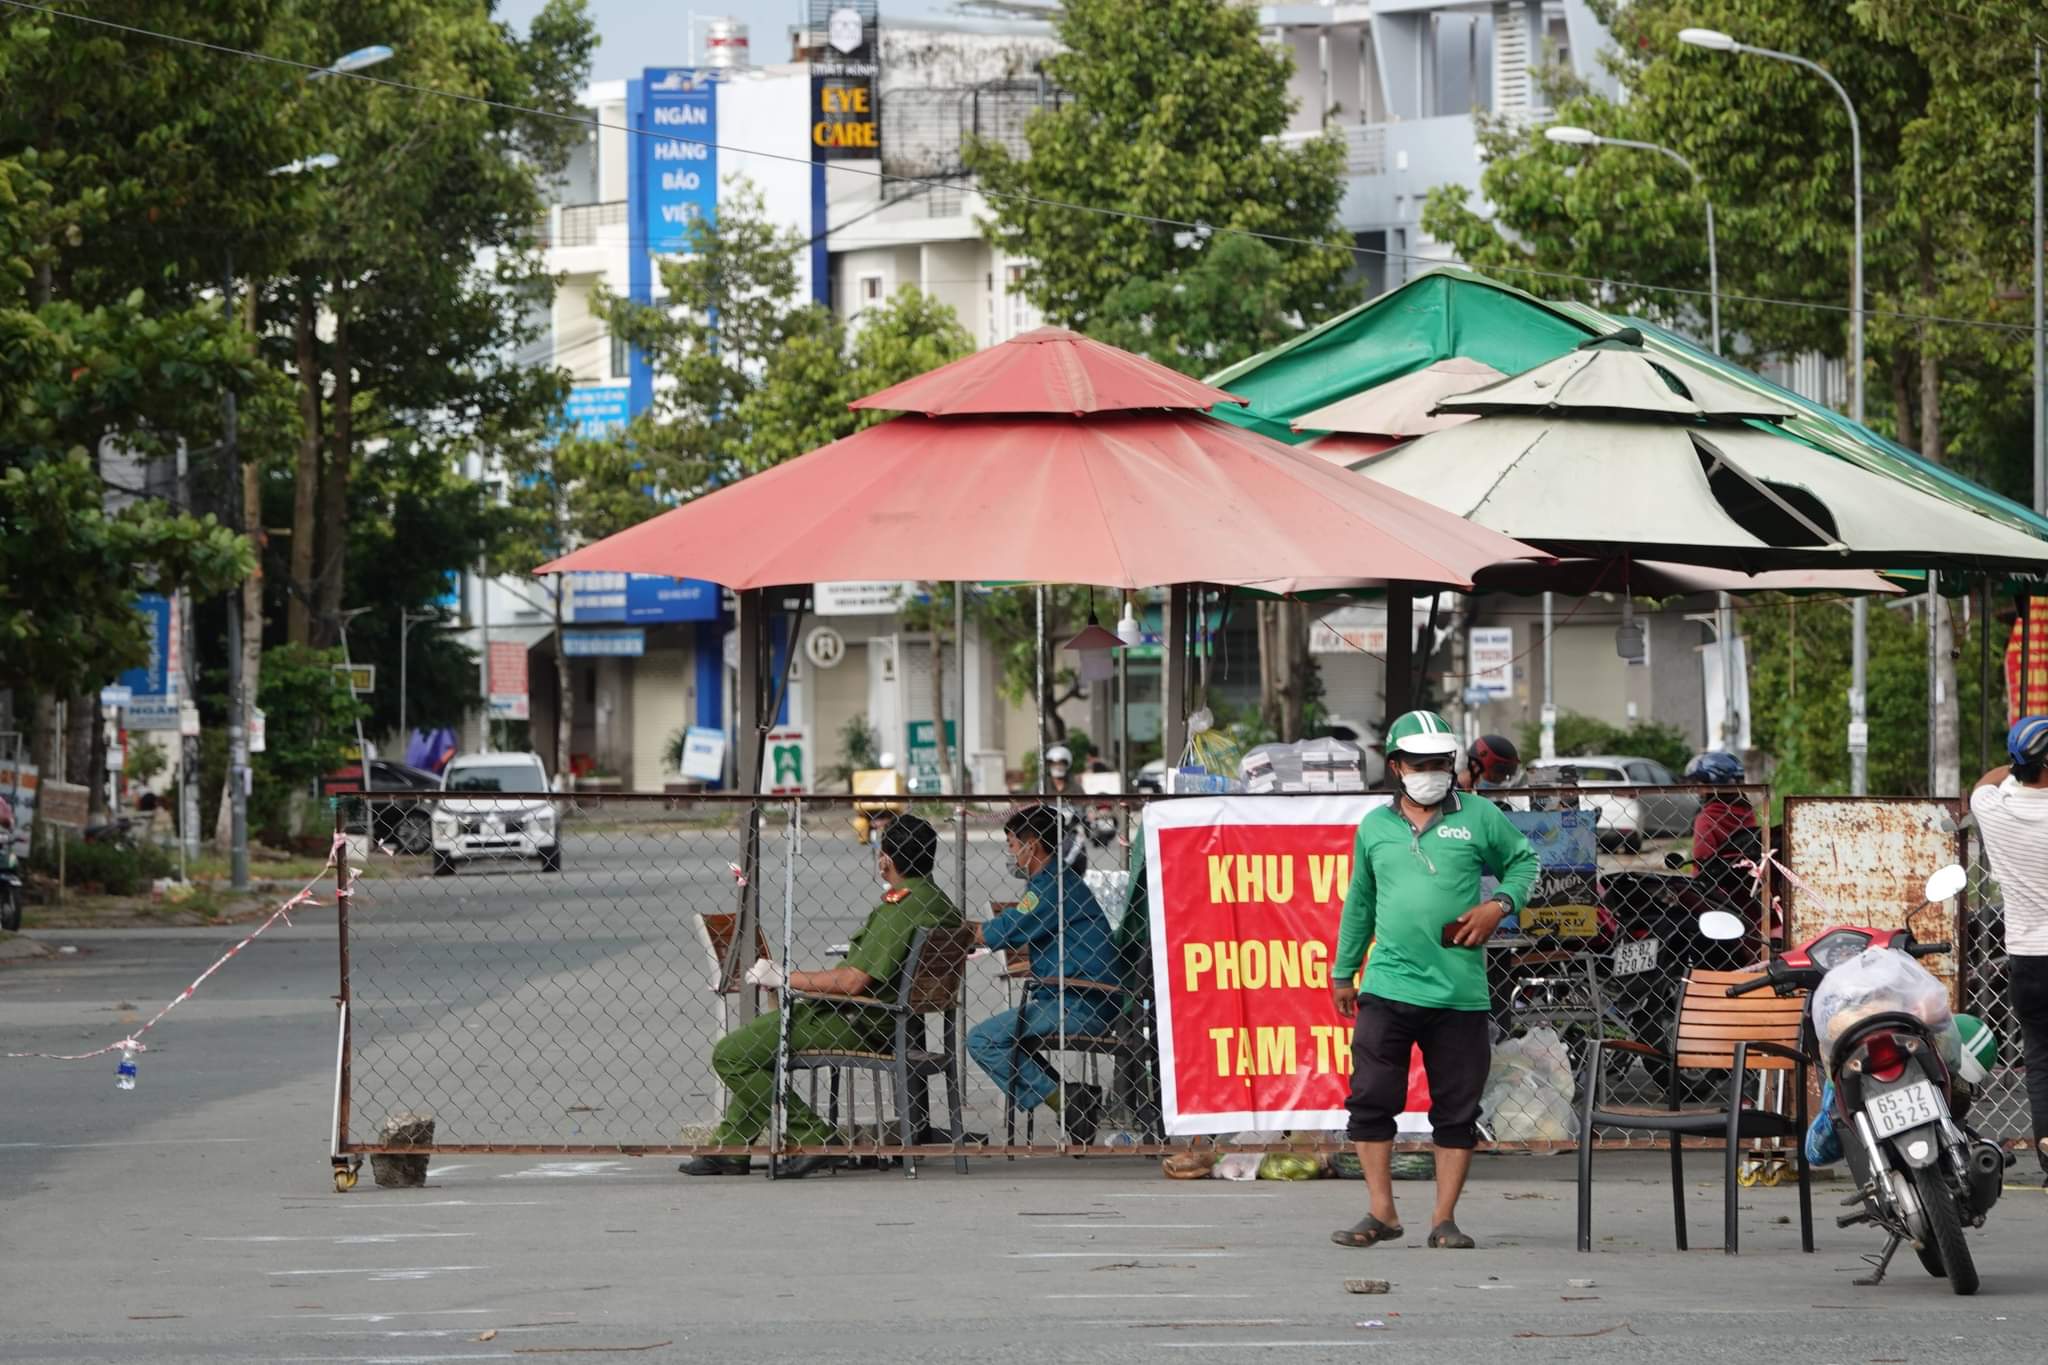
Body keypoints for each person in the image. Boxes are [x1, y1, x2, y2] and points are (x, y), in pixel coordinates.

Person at [1330, 710, 1539, 1251]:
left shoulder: (1479, 816)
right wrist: (1343, 972)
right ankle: (1382, 1211)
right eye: (1420, 763)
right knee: (1371, 1099)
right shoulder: (1375, 827)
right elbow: (1361, 902)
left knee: (1457, 1107)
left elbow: (1524, 864)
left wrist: (1500, 904)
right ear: (1396, 766)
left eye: (1441, 763)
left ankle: (1444, 1219)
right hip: (1387, 985)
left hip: (1460, 992)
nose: (1433, 772)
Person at [681, 814, 960, 1179]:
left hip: (857, 1020)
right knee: (755, 1047)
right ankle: (732, 1146)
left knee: (731, 1054)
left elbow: (851, 981)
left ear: (886, 860)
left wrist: (784, 977)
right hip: (890, 1020)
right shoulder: (938, 903)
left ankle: (813, 1134)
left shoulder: (900, 910)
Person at [966, 804, 1120, 1144]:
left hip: (1081, 1003)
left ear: (1030, 844)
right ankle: (1070, 1099)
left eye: (1011, 845)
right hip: (1073, 996)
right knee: (1006, 1040)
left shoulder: (1051, 887)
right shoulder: (1054, 883)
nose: (1010, 854)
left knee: (983, 1039)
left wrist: (959, 932)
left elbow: (1006, 930)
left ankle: (1067, 1101)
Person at [1970, 716, 2048, 1181]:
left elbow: (1985, 781)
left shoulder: (1992, 808)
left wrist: (2018, 765)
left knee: (2040, 1056)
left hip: (2028, 957)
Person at [1685, 751, 1758, 867]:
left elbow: (1701, 863)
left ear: (1712, 786)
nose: (1698, 790)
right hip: (1748, 879)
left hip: (1715, 883)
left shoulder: (1706, 820)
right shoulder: (1747, 812)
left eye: (1700, 785)